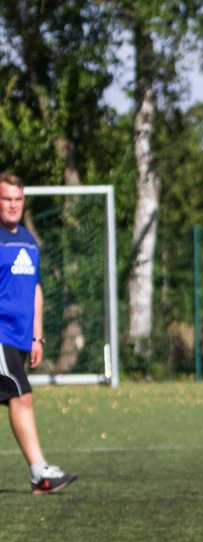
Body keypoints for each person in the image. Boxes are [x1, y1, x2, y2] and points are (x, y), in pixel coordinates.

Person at [0, 172, 77, 494]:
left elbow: (36, 289)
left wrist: (37, 336)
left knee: (18, 395)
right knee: (22, 395)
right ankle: (40, 474)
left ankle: (39, 473)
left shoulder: (29, 240)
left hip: (19, 337)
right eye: (6, 199)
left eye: (18, 199)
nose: (13, 205)